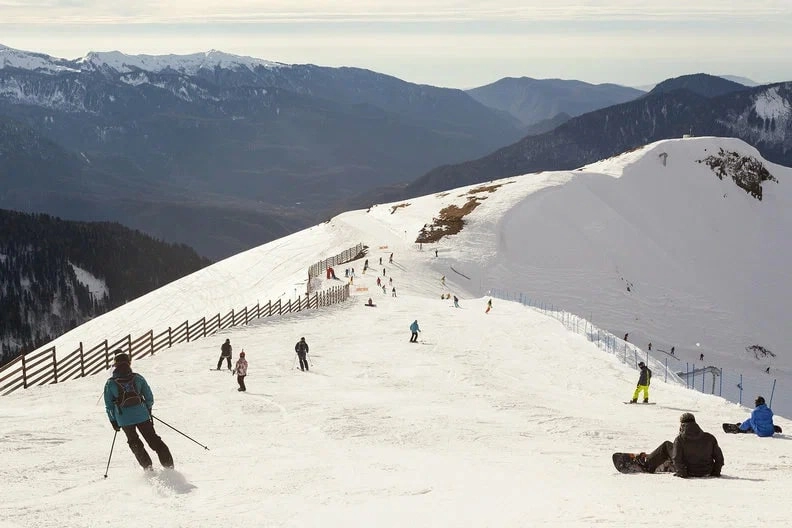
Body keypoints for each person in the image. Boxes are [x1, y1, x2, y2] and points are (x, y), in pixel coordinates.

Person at [103, 352, 174, 471]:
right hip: (142, 415)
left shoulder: (110, 383)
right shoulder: (138, 378)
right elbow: (149, 397)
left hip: (123, 419)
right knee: (153, 439)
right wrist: (147, 409)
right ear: (129, 363)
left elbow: (109, 406)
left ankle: (148, 468)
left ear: (115, 365)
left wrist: (113, 421)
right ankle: (169, 466)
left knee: (134, 442)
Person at [635, 413, 723, 477]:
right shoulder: (709, 437)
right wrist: (715, 472)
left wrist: (682, 473)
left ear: (682, 424)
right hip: (706, 471)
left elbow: (676, 458)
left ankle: (648, 464)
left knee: (666, 445)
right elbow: (719, 458)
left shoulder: (680, 439)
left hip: (689, 471)